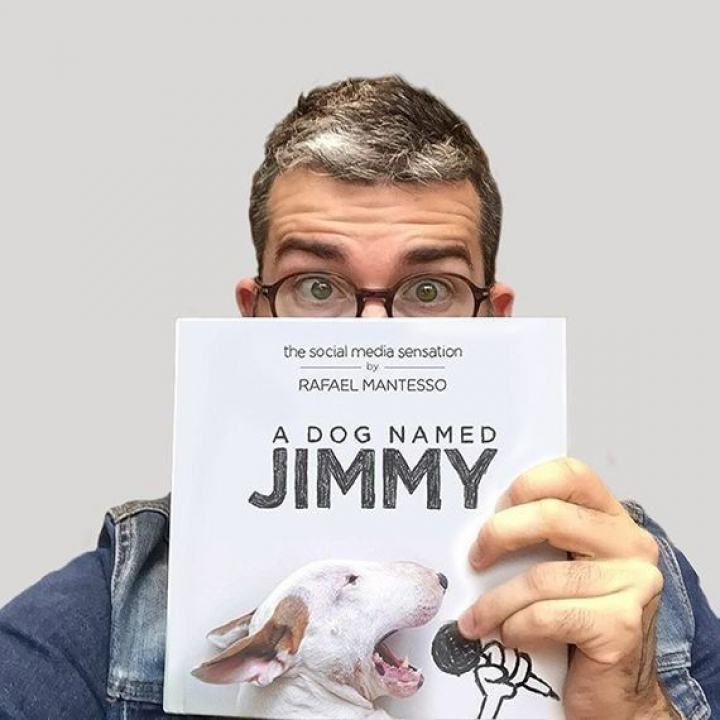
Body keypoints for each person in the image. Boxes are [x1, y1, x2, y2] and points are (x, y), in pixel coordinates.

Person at [0, 75, 717, 720]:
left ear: (493, 323)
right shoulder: (90, 625)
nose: (373, 340)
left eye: (429, 289)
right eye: (317, 286)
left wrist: (637, 711)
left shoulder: (636, 589)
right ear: (253, 320)